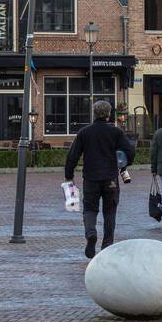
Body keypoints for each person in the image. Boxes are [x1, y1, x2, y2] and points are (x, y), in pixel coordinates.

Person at [65, 99, 136, 259]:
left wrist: (69, 174)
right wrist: (124, 164)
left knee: (90, 209)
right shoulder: (116, 132)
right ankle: (107, 244)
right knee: (110, 211)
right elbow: (129, 151)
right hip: (110, 178)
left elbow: (73, 155)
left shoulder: (85, 132)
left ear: (94, 113)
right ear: (109, 114)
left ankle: (91, 233)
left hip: (90, 178)